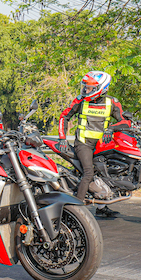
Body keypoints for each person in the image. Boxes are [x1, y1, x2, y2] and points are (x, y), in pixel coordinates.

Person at [56, 70, 126, 217]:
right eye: (85, 87)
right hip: (83, 144)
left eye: (89, 88)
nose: (85, 90)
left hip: (102, 145)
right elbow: (64, 116)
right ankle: (75, 211)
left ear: (102, 88)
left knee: (106, 174)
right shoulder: (81, 100)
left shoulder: (112, 102)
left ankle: (102, 207)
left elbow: (125, 121)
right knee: (89, 173)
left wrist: (111, 129)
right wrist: (62, 138)